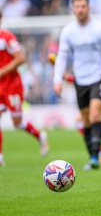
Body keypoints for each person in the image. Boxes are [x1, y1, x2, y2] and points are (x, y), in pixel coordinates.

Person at [53, 0, 101, 169]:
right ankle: (92, 155)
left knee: (95, 114)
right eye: (77, 6)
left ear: (88, 8)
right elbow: (62, 56)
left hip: (98, 77)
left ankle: (96, 157)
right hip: (80, 79)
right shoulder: (68, 31)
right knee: (86, 120)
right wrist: (57, 80)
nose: (80, 9)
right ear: (73, 9)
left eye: (83, 6)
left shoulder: (99, 29)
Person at [0, 9, 49, 167]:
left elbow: (21, 57)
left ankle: (40, 135)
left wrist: (3, 71)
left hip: (12, 85)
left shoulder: (6, 37)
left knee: (17, 122)